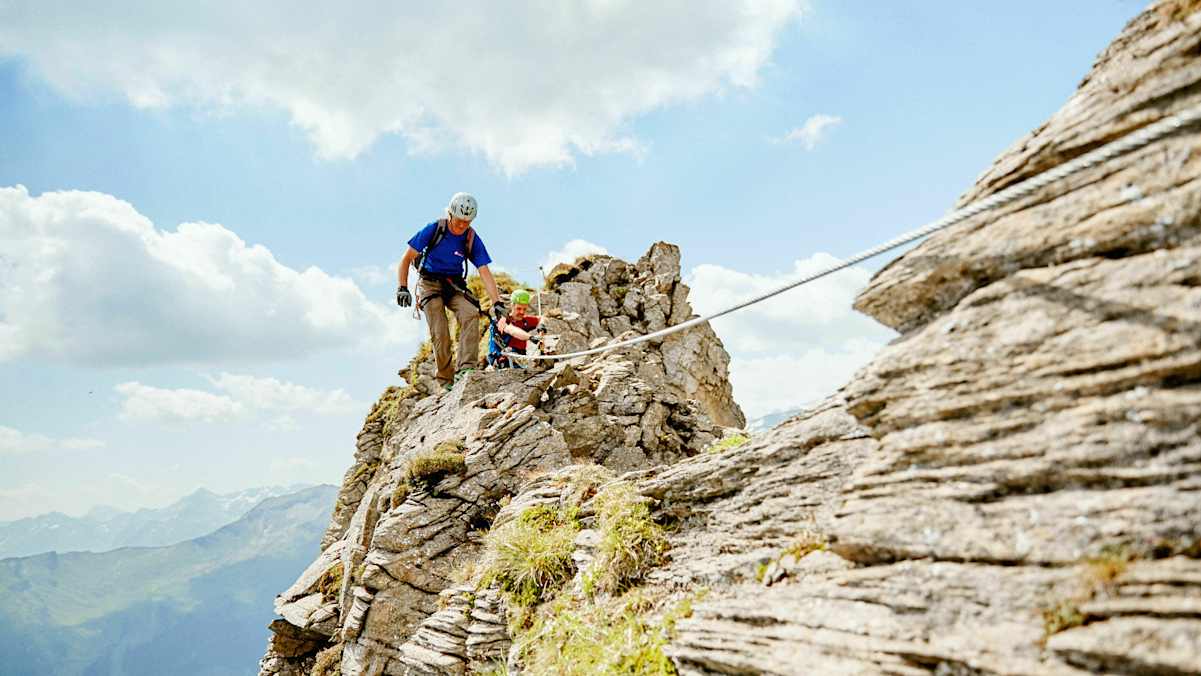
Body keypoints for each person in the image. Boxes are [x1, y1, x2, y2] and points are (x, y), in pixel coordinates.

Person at [396, 192, 504, 388]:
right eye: (459, 220)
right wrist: (402, 288)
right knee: (440, 330)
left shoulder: (471, 237)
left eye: (467, 221)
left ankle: (466, 369)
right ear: (450, 214)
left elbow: (484, 272)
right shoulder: (435, 229)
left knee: (470, 313)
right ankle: (445, 380)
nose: (462, 225)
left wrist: (497, 303)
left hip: (454, 284)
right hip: (429, 283)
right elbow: (405, 259)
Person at [487, 289, 543, 368]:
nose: (522, 312)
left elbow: (542, 319)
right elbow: (512, 330)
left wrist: (541, 328)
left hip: (520, 359)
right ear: (512, 306)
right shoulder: (501, 320)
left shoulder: (524, 320)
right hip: (502, 359)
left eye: (524, 309)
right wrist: (530, 337)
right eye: (519, 308)